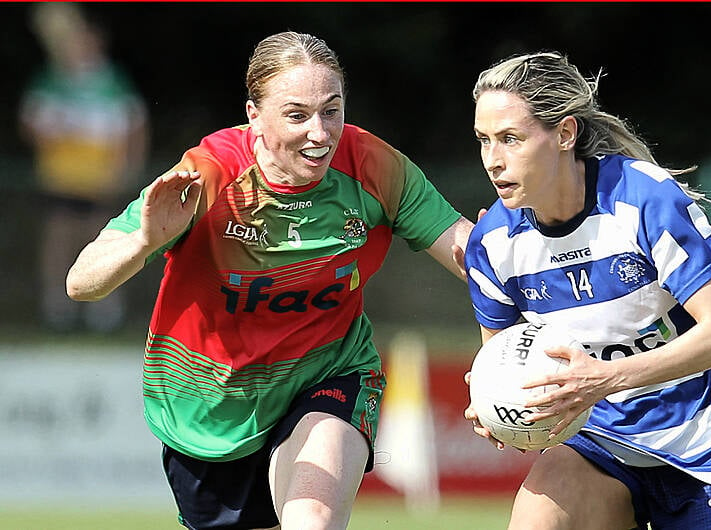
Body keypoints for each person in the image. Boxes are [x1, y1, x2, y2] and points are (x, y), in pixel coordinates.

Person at [66, 31, 473, 530]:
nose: (321, 134)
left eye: (332, 110)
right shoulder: (209, 175)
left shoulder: (373, 167)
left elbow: (469, 254)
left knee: (312, 519)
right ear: (254, 116)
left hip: (330, 373)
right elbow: (82, 282)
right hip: (208, 410)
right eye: (297, 114)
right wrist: (144, 240)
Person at [462, 52, 711, 530]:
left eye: (511, 139)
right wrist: (494, 405)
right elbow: (503, 360)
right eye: (484, 141)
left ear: (565, 135)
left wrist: (604, 379)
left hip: (707, 441)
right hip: (603, 440)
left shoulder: (643, 200)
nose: (494, 160)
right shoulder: (492, 243)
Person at [20, 3, 149, 332]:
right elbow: (31, 124)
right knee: (59, 235)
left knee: (103, 236)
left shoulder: (114, 80)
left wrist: (128, 165)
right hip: (62, 175)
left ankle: (104, 308)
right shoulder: (52, 79)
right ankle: (58, 306)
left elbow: (134, 126)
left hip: (101, 173)